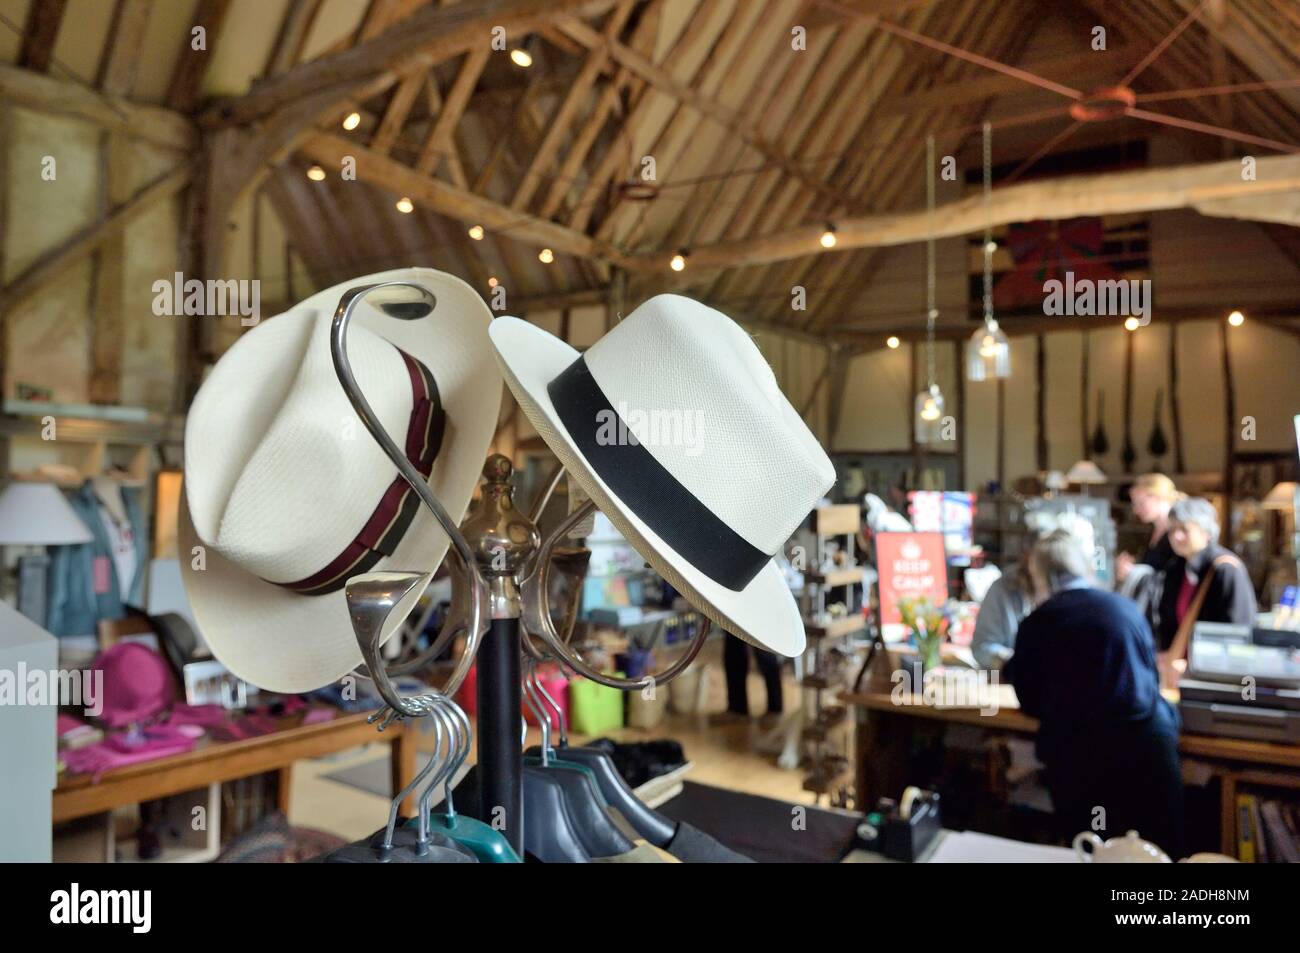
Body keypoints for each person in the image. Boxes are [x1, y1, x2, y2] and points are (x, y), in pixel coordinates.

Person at [1006, 530, 1185, 859]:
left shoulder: (1037, 623)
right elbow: (1150, 678)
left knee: (1092, 849)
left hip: (1080, 761)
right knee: (1159, 854)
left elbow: (1028, 699)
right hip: (1147, 751)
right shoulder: (1124, 609)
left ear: (1040, 574)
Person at [1155, 497, 1257, 678]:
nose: (1176, 537)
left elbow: (1238, 632)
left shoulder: (1226, 570)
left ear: (1207, 533)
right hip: (1177, 674)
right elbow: (1167, 621)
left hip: (1212, 675)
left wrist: (1196, 664)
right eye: (1172, 530)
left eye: (1184, 529)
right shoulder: (1175, 569)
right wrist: (1165, 654)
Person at [1115, 474, 1181, 632]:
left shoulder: (1177, 534)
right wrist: (1131, 568)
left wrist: (1134, 571)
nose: (1136, 510)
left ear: (1159, 498)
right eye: (1134, 504)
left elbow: (1175, 576)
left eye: (1140, 503)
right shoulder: (1152, 531)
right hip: (1151, 614)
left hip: (1167, 616)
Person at [970, 559, 1034, 670]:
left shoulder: (1068, 591)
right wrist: (1020, 662)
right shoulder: (1004, 587)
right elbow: (982, 648)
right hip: (1013, 679)